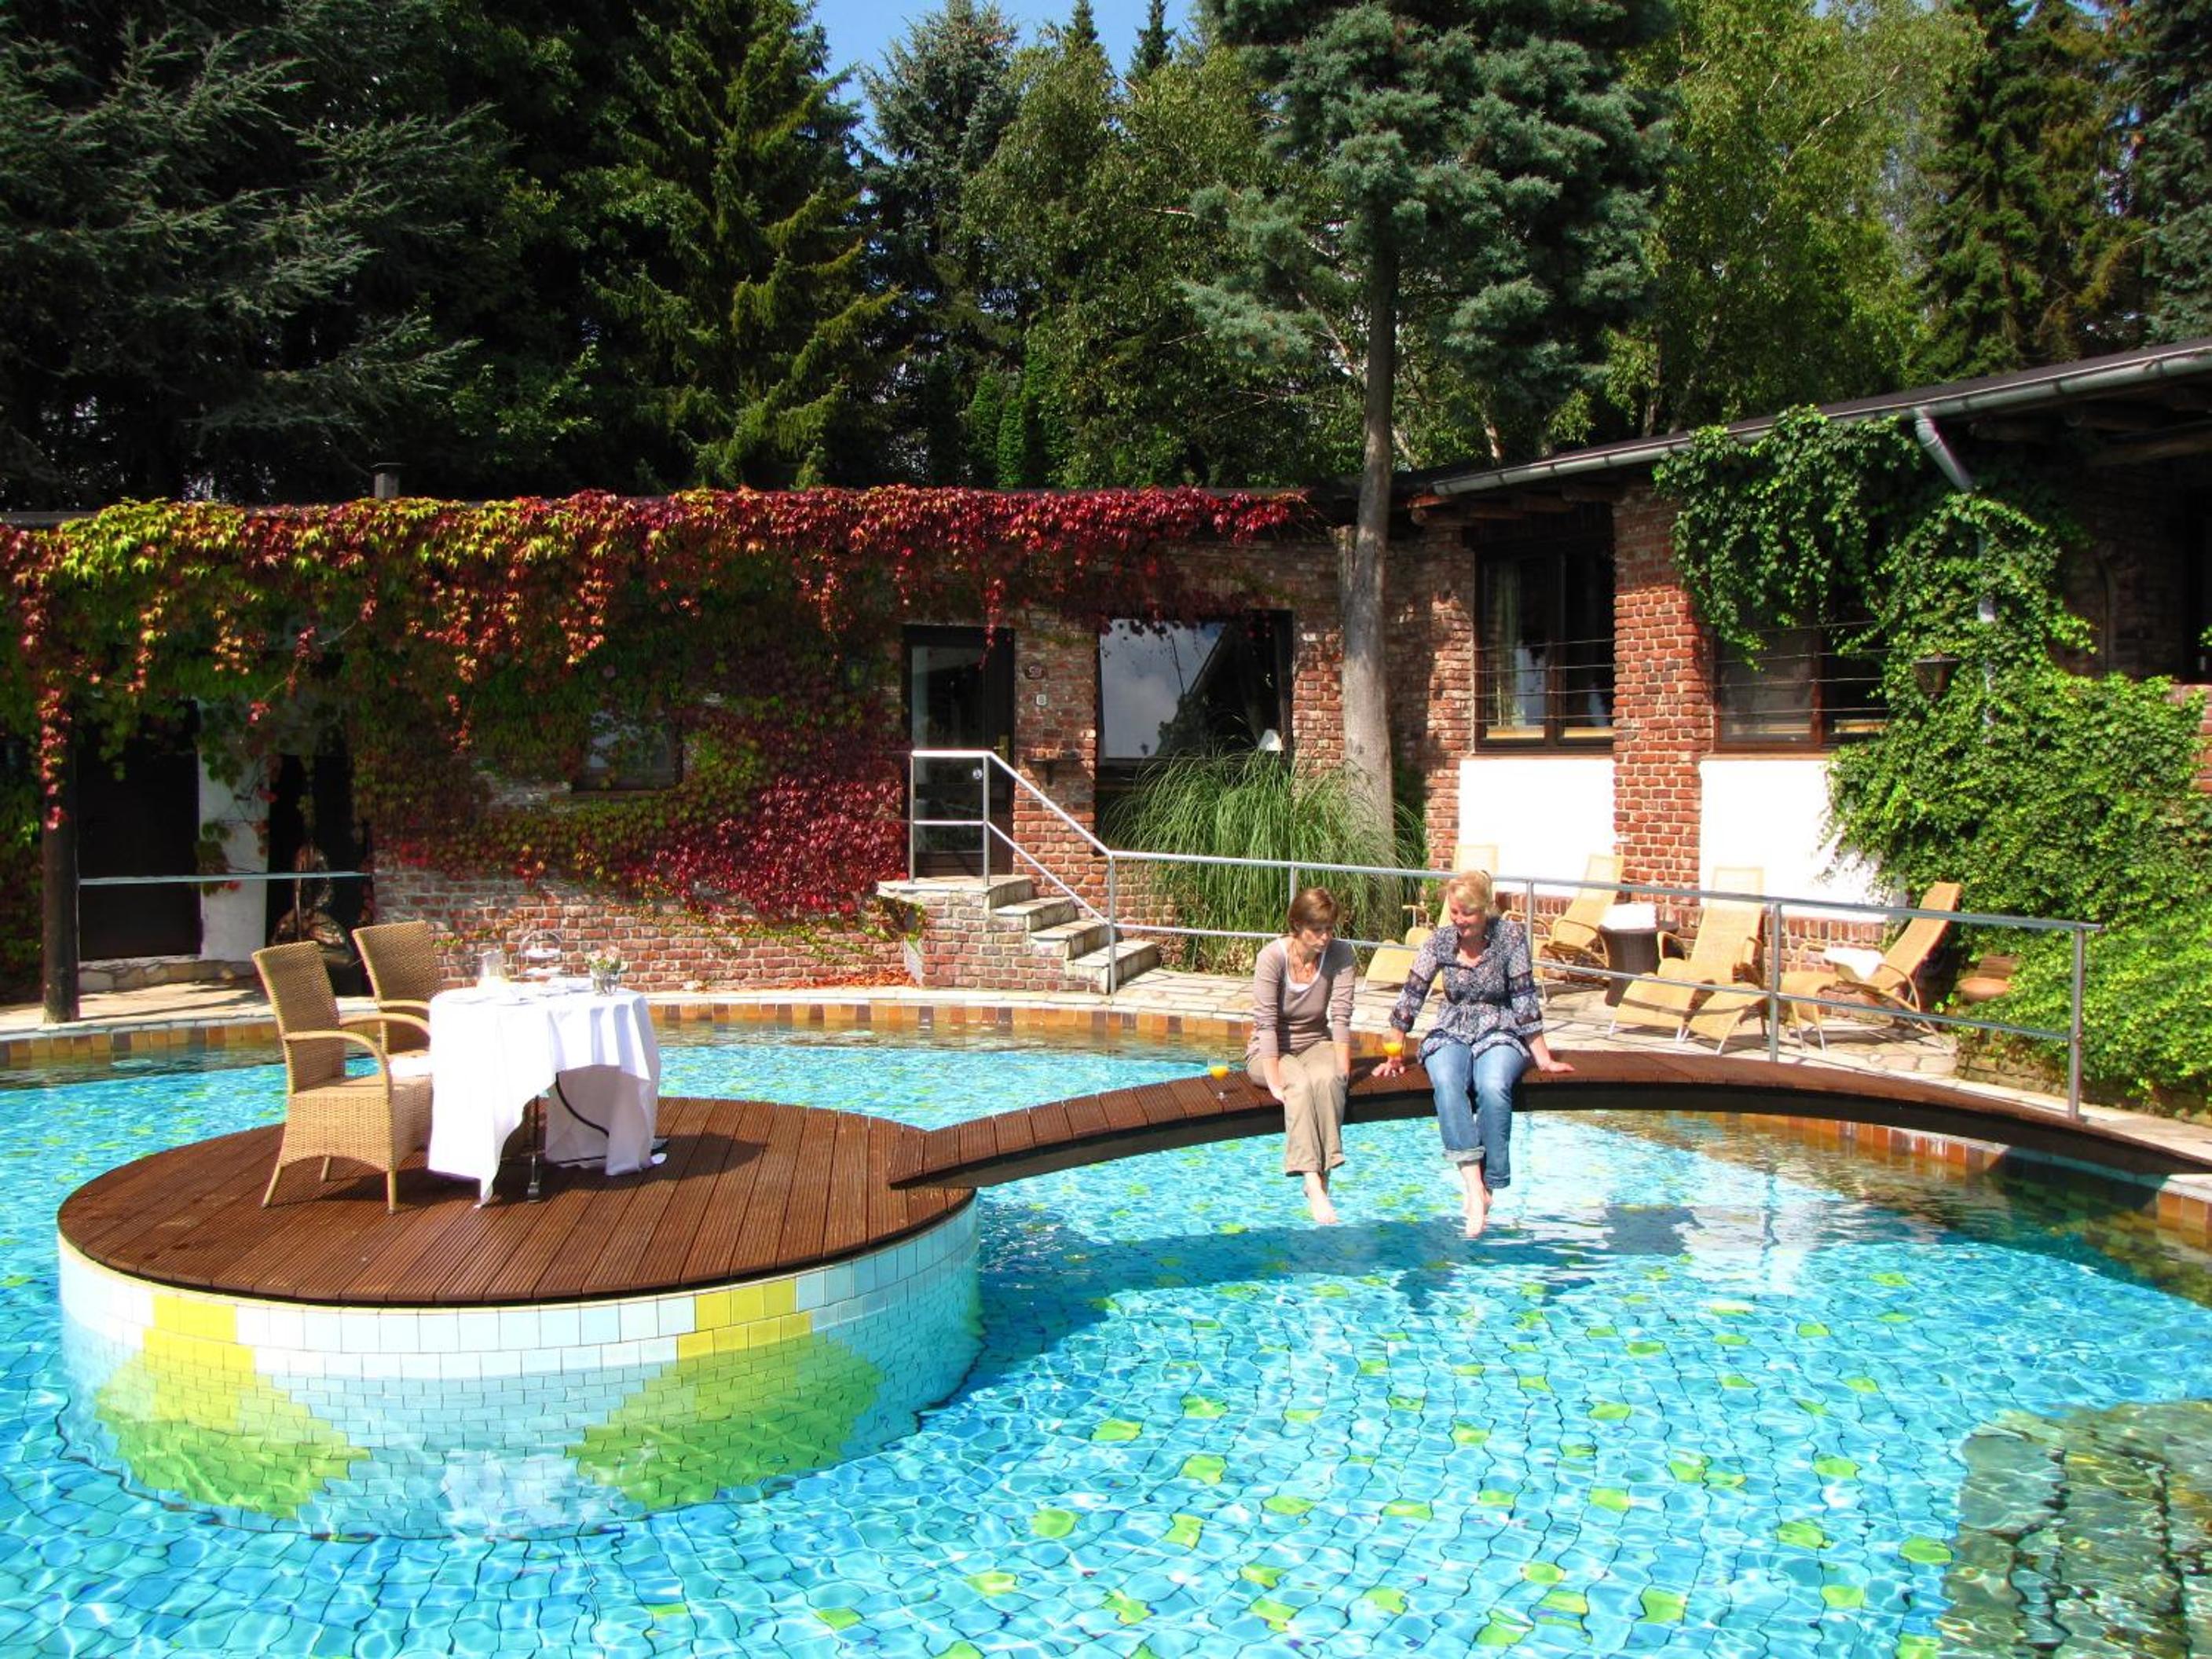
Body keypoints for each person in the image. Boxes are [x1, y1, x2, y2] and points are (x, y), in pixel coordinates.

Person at [1375, 869, 1572, 1238]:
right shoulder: (1440, 941)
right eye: (1454, 912)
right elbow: (1412, 993)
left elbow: (1524, 998)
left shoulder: (1510, 938)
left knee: (1493, 1086)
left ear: (1485, 910)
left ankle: (1490, 1182)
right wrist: (1394, 1050)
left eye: (1467, 913)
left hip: (1500, 1027)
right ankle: (1473, 1187)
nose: (1459, 920)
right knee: (1447, 1082)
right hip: (1451, 1028)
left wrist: (1543, 1057)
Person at [1249, 886, 1359, 1224]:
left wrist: (1342, 1070)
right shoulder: (1272, 958)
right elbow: (1266, 1023)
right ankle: (1311, 1181)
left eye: (1329, 928)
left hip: (1315, 1042)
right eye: (1317, 929)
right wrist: (1274, 1080)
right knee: (1297, 1083)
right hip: (1270, 1049)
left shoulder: (1341, 954)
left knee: (1327, 1079)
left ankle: (1326, 1174)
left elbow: (1341, 1016)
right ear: (1297, 925)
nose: (1325, 937)